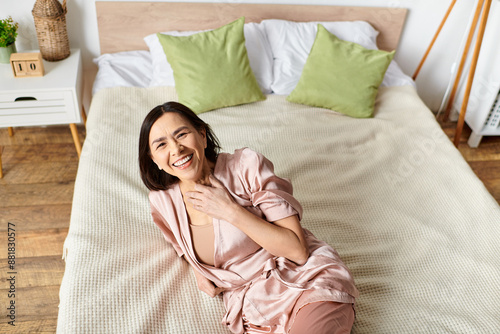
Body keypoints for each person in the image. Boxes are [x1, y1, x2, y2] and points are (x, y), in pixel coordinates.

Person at [139, 101, 359, 334]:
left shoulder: (246, 166)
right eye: (161, 145)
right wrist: (198, 270)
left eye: (181, 134)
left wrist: (230, 210)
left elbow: (297, 250)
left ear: (202, 135)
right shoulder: (163, 201)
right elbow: (178, 242)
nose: (176, 149)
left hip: (307, 282)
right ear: (153, 158)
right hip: (253, 309)